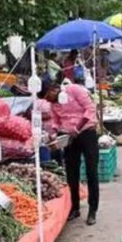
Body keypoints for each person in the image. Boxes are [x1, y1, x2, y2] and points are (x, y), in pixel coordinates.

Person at [39, 79, 100, 225]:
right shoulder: (53, 104)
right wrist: (52, 133)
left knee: (91, 171)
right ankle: (75, 207)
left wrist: (78, 128)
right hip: (68, 137)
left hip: (86, 132)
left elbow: (90, 109)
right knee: (72, 173)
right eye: (46, 99)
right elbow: (56, 121)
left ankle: (92, 209)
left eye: (49, 96)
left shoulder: (74, 90)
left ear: (54, 89)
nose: (49, 100)